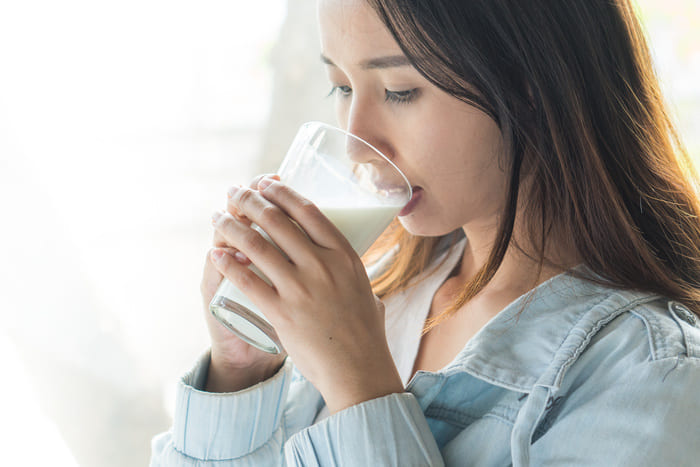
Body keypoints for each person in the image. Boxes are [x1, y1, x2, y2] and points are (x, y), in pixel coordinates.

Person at [151, 0, 700, 465]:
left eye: (398, 91)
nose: (356, 140)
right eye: (340, 87)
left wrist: (359, 387)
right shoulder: (381, 292)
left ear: (530, 83)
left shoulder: (654, 376)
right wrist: (239, 372)